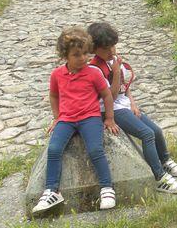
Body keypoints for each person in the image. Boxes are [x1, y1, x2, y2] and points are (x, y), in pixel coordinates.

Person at [87, 22, 177, 194]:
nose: (111, 51)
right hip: (109, 109)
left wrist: (132, 103)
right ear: (94, 49)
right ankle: (159, 177)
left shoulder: (114, 61)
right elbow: (111, 95)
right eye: (105, 48)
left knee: (155, 131)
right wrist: (116, 73)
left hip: (123, 104)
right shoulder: (95, 68)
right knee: (146, 134)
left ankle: (165, 160)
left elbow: (125, 88)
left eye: (113, 46)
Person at [32, 27, 119, 214]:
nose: (82, 59)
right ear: (66, 56)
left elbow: (106, 94)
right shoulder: (57, 74)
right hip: (67, 119)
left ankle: (107, 187)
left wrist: (110, 118)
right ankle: (51, 191)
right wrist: (57, 118)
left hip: (90, 117)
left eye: (85, 54)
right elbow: (54, 96)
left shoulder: (93, 73)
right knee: (54, 149)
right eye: (76, 55)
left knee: (95, 149)